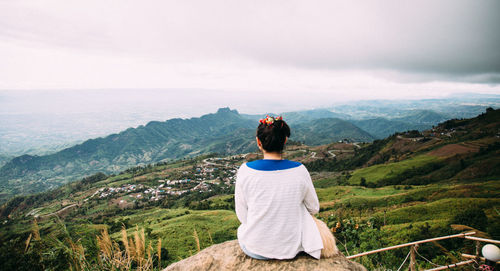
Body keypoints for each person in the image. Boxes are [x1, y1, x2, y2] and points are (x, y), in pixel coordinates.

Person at [235, 115, 338, 260]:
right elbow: (313, 208)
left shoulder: (245, 170)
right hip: (292, 248)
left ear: (258, 142)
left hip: (254, 248)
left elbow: (242, 216)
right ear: (285, 141)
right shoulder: (300, 170)